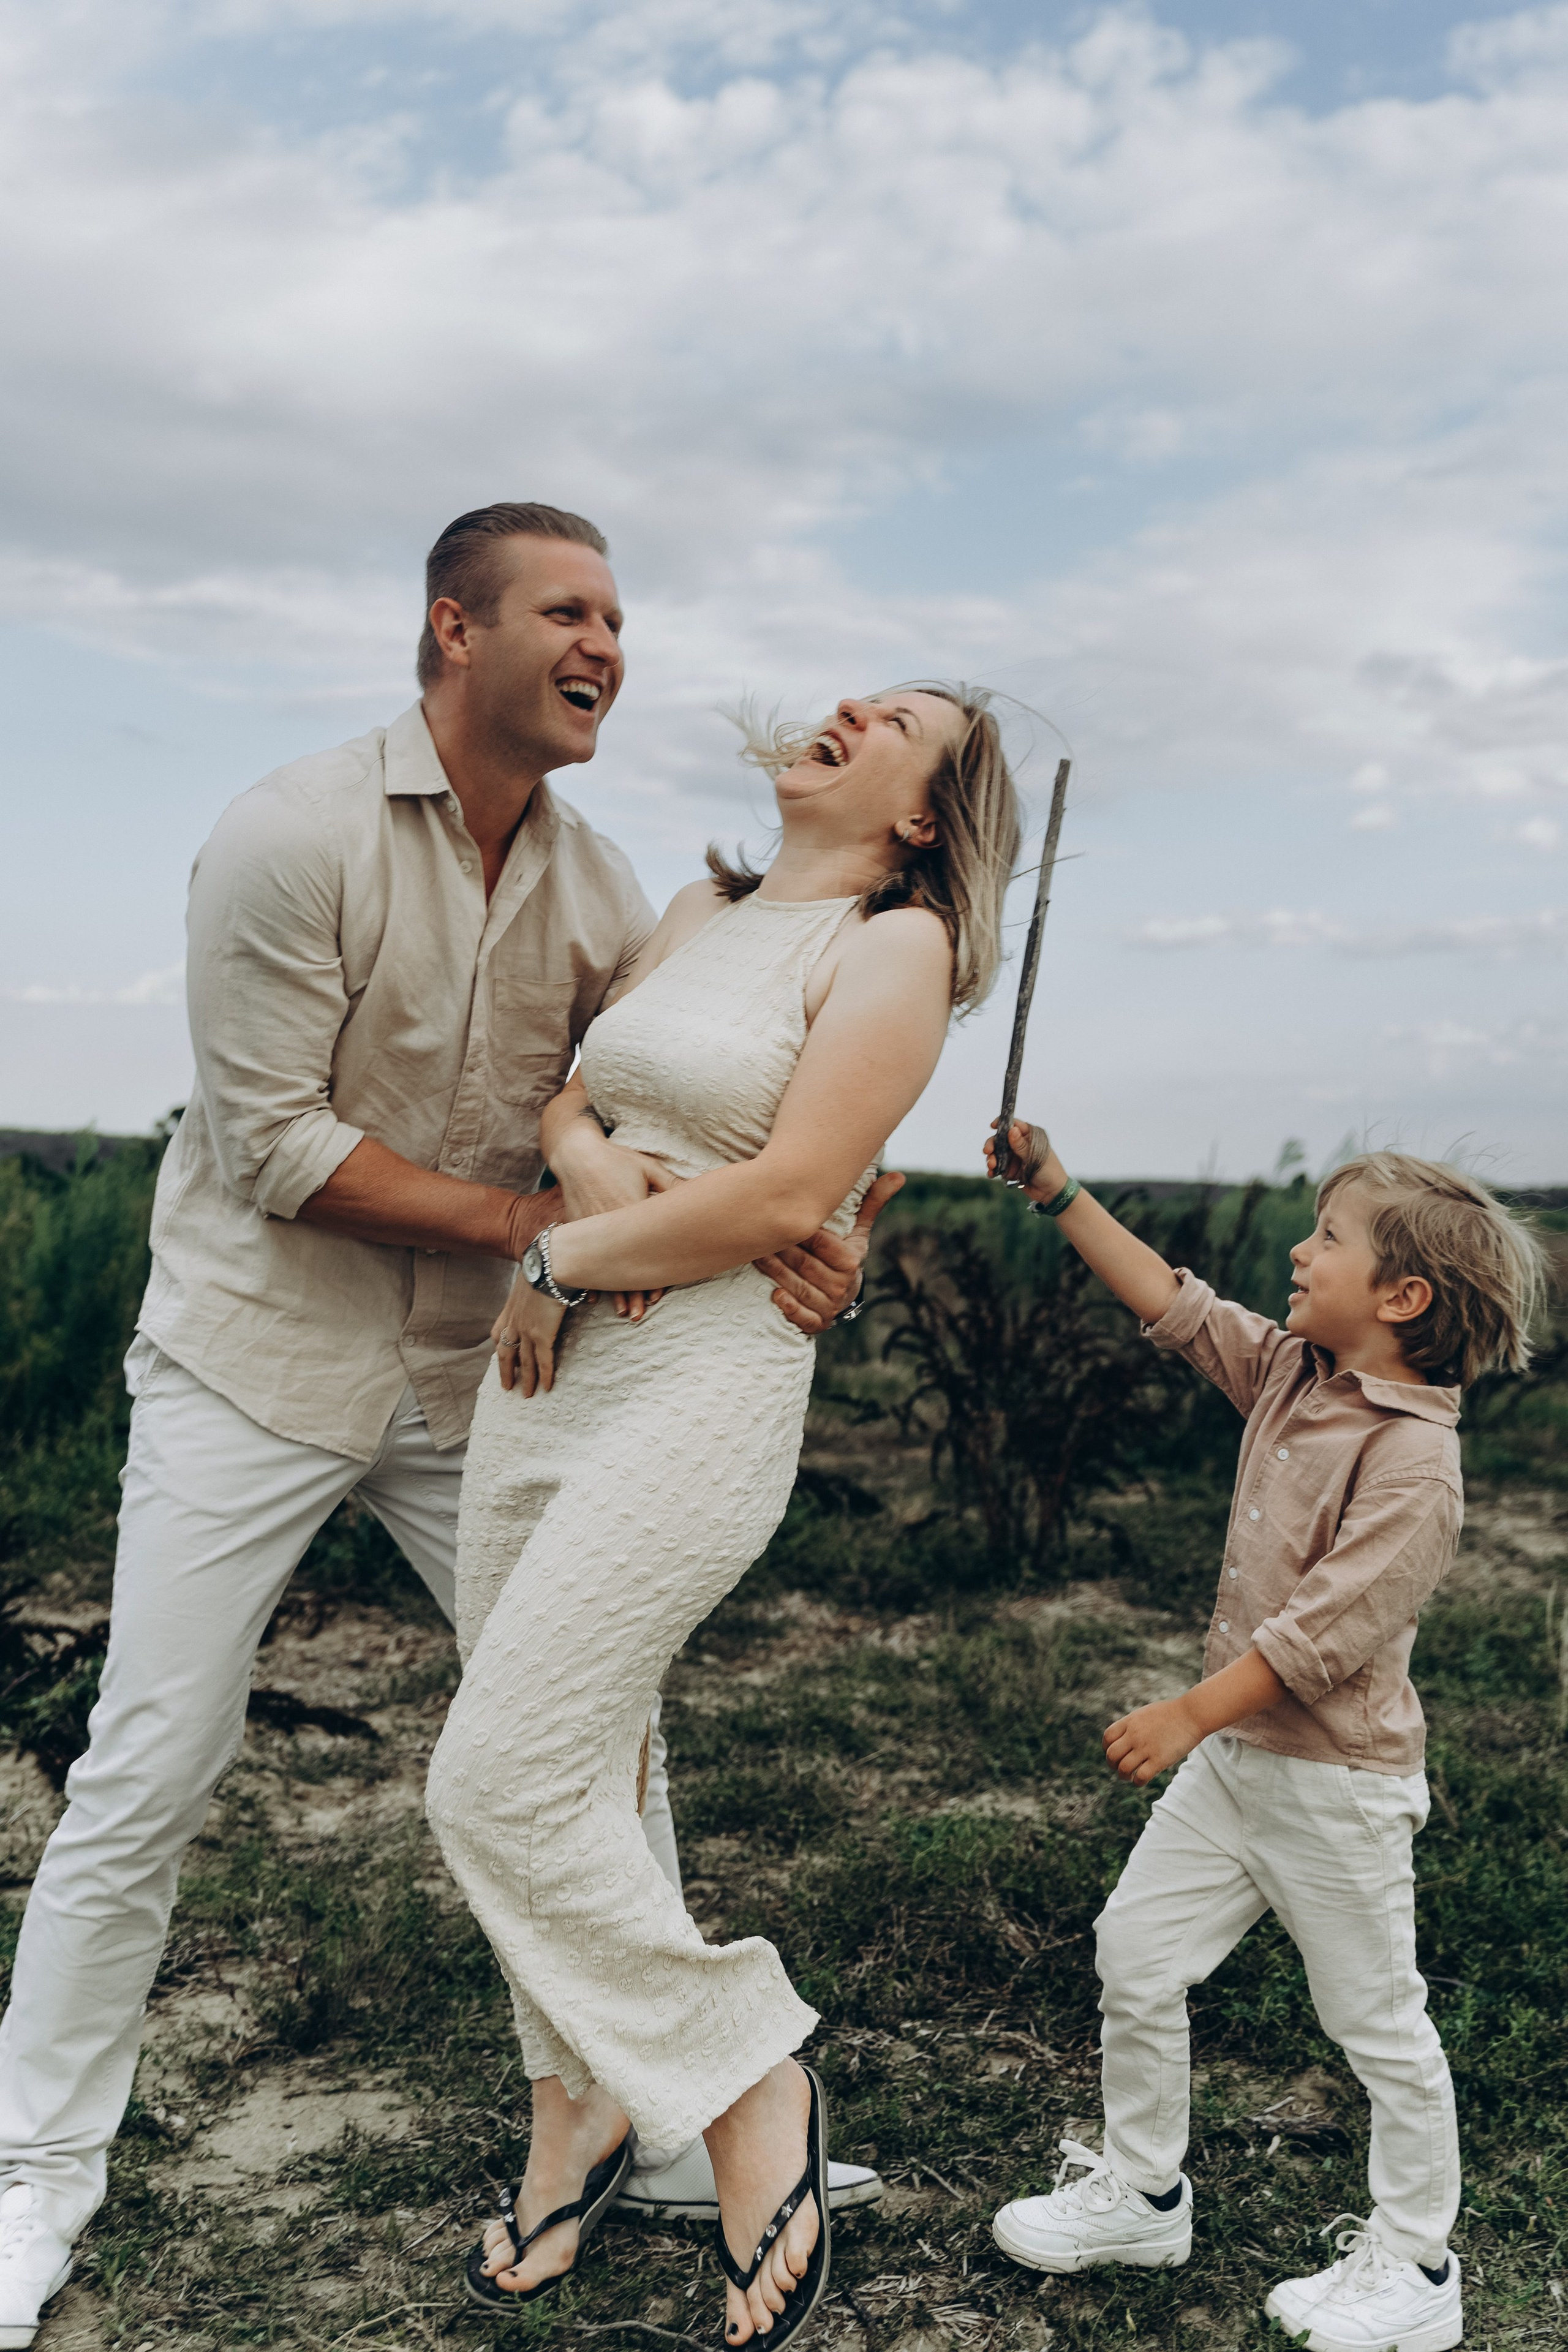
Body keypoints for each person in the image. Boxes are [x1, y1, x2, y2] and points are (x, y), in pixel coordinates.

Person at [0, 503, 889, 2348]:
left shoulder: (606, 882)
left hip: (498, 1379)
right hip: (259, 1361)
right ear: (449, 630)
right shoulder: (291, 831)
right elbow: (277, 1147)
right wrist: (546, 1231)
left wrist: (813, 1242)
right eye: (570, 610)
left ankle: (645, 2105)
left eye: (624, 619)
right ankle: (33, 2174)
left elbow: (653, 1119)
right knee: (150, 1763)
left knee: (594, 1743)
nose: (610, 647)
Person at [424, 682, 1023, 2345]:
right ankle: (579, 2100)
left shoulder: (897, 952)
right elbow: (575, 1093)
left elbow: (780, 1199)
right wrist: (582, 1170)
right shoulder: (704, 906)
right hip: (547, 1380)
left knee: (496, 1776)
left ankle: (749, 2073)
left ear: (923, 815)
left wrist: (556, 1247)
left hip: (700, 1383)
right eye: (855, 686)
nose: (846, 704)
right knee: (587, 1765)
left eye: (896, 717)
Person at [984, 1122, 1548, 2352]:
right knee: (1133, 1952)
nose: (1297, 1253)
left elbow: (1318, 1640)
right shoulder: (1293, 1371)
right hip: (1237, 1772)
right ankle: (1140, 2194)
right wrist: (1059, 1192)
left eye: (1325, 1239)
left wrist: (1187, 1713)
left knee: (1373, 2024)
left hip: (1333, 1789)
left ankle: (1414, 2265)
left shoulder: (1413, 1465)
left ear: (1399, 1297)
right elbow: (1178, 1310)